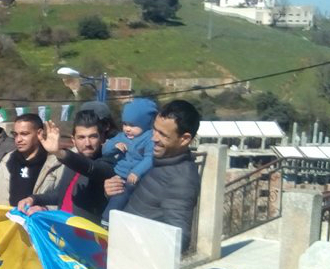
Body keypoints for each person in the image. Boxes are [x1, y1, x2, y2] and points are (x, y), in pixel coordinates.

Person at [104, 100, 202, 249]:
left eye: (163, 134)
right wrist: (113, 191)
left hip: (137, 264)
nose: (153, 138)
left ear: (185, 139)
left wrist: (135, 241)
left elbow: (178, 240)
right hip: (122, 254)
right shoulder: (158, 161)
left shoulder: (182, 179)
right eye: (154, 130)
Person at [18, 109, 110, 224]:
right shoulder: (71, 162)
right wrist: (34, 199)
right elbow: (61, 194)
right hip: (63, 231)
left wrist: (59, 153)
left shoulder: (107, 163)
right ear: (73, 140)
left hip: (88, 238)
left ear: (102, 138)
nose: (87, 143)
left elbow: (90, 168)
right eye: (81, 137)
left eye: (93, 137)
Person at [0, 114, 62, 206]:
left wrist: (43, 209)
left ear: (39, 133)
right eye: (15, 134)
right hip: (11, 224)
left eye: (24, 134)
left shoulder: (55, 163)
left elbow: (64, 201)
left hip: (41, 224)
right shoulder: (8, 160)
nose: (18, 139)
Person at [100, 98, 157, 221]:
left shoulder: (149, 138)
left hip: (134, 178)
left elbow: (150, 158)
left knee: (120, 196)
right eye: (125, 124)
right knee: (114, 194)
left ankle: (107, 219)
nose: (127, 129)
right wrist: (114, 147)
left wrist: (137, 171)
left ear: (145, 124)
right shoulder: (121, 136)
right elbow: (105, 150)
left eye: (133, 125)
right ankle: (107, 218)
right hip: (118, 173)